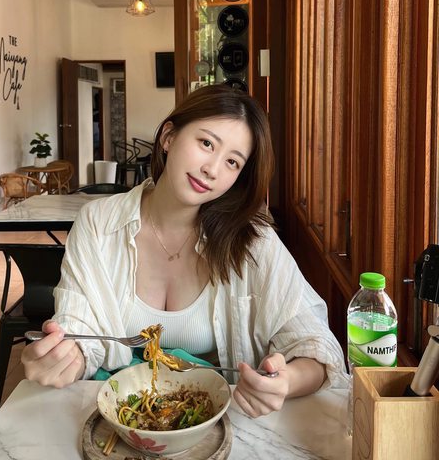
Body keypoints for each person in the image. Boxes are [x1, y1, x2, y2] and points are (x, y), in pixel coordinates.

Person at [21, 85, 347, 417]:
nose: (212, 169)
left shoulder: (252, 240)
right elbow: (79, 329)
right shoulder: (99, 223)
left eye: (232, 162)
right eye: (206, 143)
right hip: (120, 415)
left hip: (219, 421)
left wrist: (285, 381)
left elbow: (316, 345)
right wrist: (66, 358)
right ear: (169, 137)